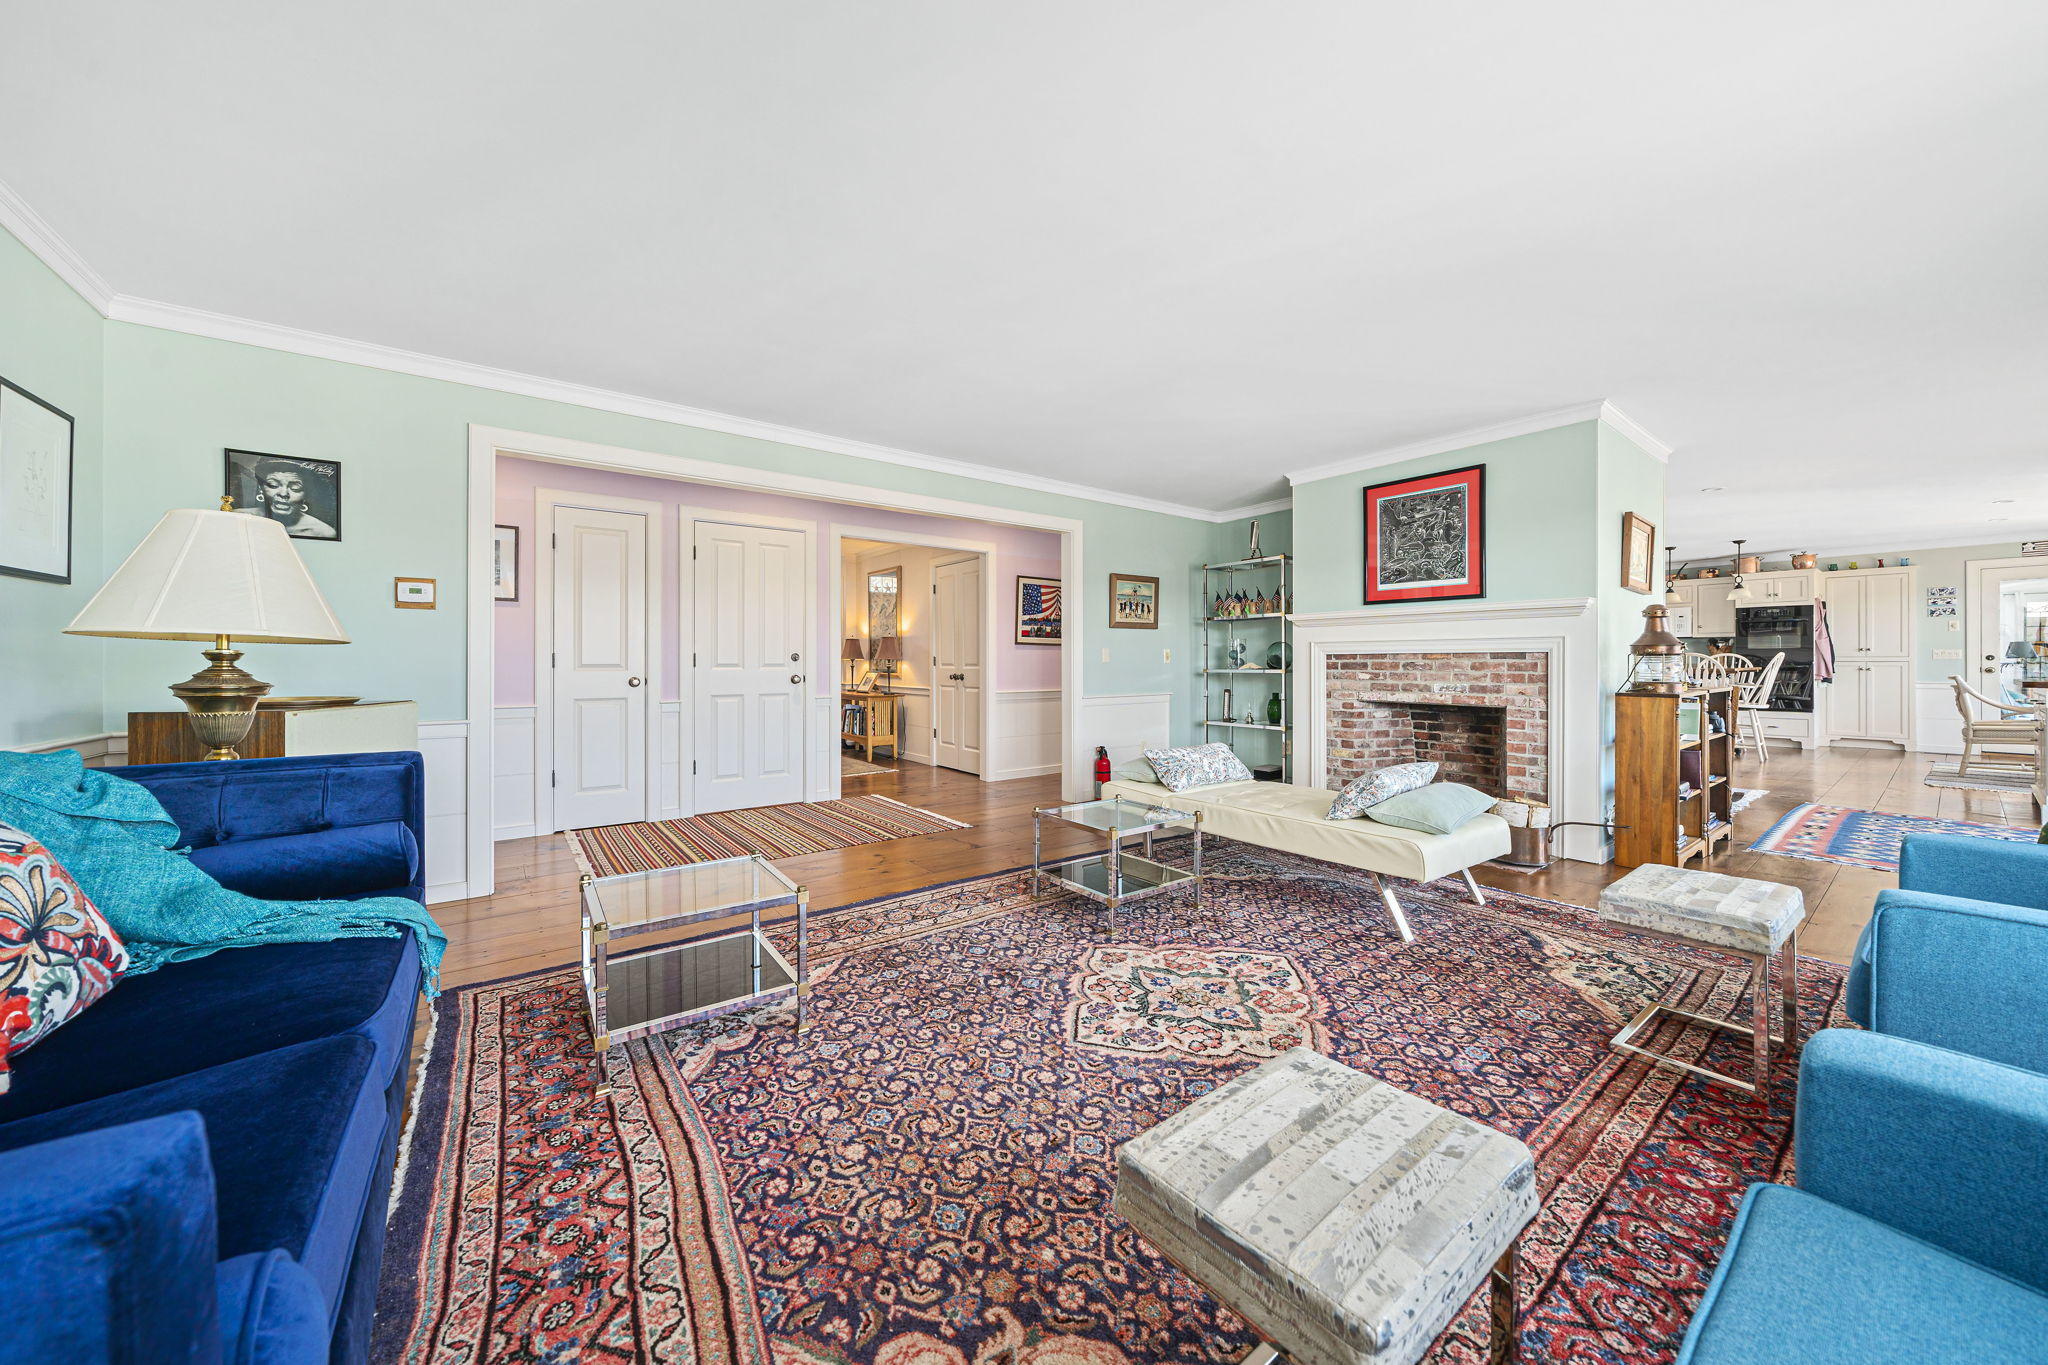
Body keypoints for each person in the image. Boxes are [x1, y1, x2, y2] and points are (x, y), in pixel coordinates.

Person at [235, 458, 336, 538]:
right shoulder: (238, 517)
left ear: (306, 495)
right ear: (261, 489)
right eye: (273, 485)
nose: (283, 493)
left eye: (295, 488)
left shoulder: (322, 532)